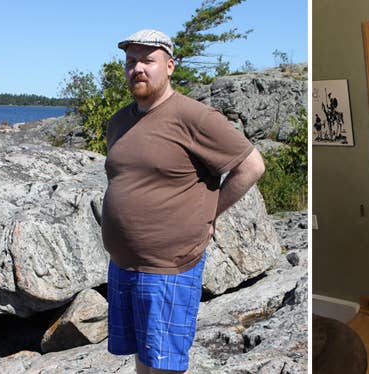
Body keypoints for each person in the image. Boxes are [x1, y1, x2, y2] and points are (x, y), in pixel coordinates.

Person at [101, 29, 265, 373]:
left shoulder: (194, 117)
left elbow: (252, 166)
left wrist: (210, 215)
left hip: (168, 268)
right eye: (131, 61)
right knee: (143, 360)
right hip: (123, 264)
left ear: (170, 65)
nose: (138, 69)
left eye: (148, 60)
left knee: (165, 365)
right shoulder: (118, 122)